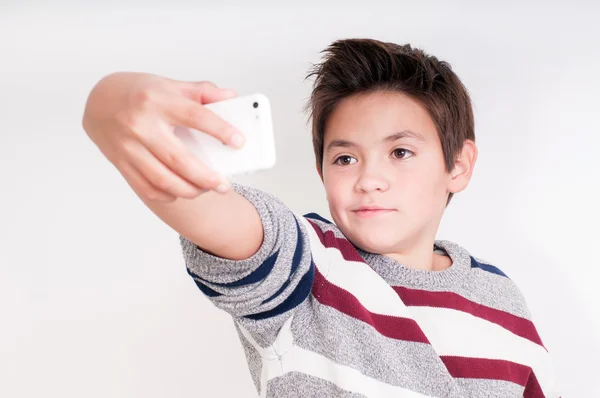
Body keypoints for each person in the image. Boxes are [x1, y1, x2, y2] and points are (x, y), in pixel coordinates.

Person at [82, 38, 558, 397]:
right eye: (345, 159)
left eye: (400, 151)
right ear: (322, 170)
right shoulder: (309, 263)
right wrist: (110, 104)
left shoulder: (502, 299)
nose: (370, 179)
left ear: (458, 165)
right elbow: (217, 215)